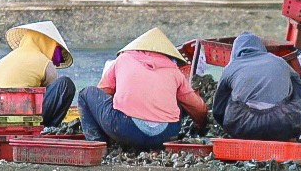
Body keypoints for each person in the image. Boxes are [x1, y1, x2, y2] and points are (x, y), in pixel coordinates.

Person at [78, 27, 207, 148]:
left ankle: (97, 145)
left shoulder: (123, 60)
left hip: (126, 129)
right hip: (166, 134)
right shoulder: (174, 70)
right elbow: (197, 107)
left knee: (85, 93)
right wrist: (201, 126)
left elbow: (103, 92)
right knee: (179, 99)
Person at [213, 32, 301, 140]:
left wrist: (228, 127)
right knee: (293, 89)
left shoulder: (230, 68)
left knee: (230, 95)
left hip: (245, 127)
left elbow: (218, 110)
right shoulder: (280, 61)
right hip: (283, 124)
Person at [0, 21, 76, 127]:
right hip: (22, 116)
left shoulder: (5, 59)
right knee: (65, 84)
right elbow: (55, 97)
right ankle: (49, 129)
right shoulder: (45, 63)